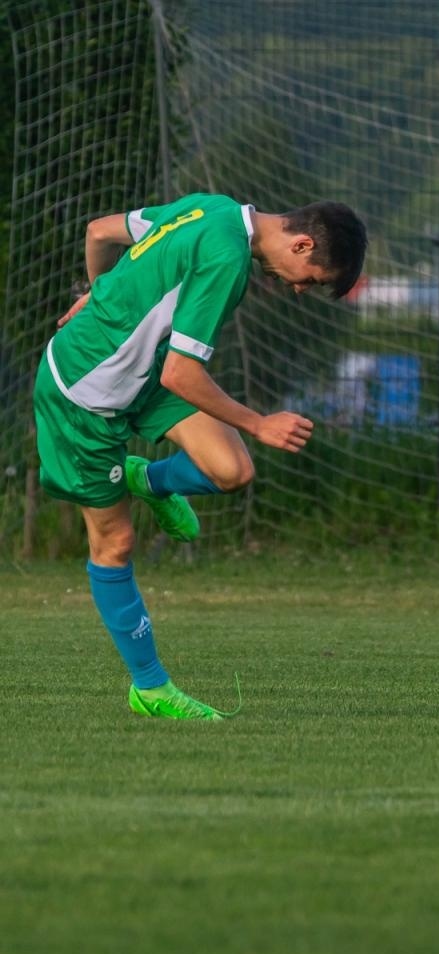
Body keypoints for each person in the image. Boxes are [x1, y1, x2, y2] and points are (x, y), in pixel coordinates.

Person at [35, 193, 367, 720]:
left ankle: (147, 480)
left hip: (141, 375)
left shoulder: (213, 207)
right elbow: (182, 376)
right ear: (301, 243)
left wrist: (102, 297)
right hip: (85, 394)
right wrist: (259, 423)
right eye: (311, 277)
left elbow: (100, 231)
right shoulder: (227, 258)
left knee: (231, 471)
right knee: (115, 543)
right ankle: (150, 688)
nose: (300, 289)